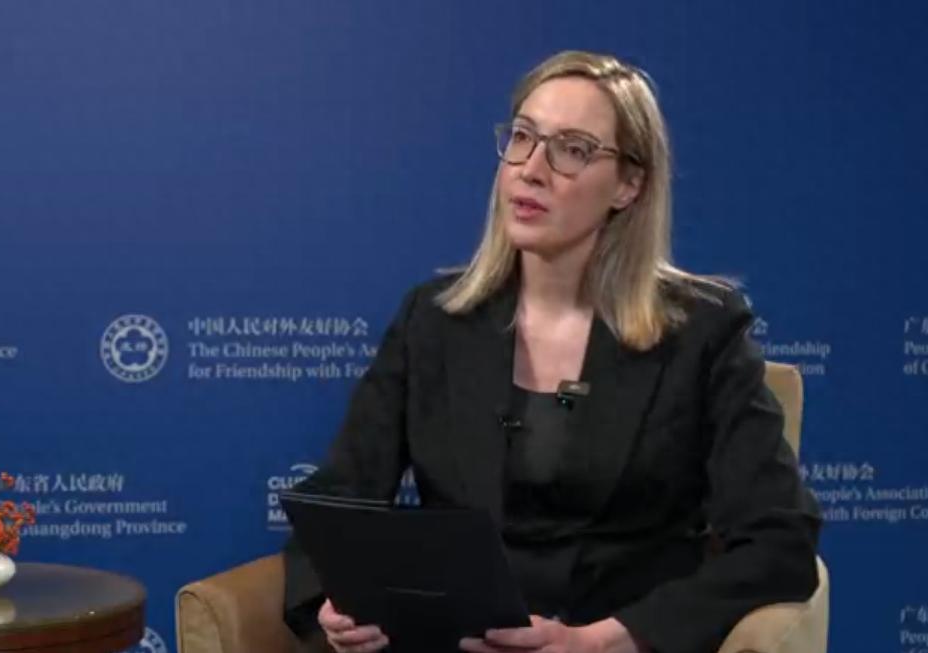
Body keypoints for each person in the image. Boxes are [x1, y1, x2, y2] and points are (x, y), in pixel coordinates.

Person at [282, 50, 821, 653]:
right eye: (522, 138)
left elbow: (779, 541)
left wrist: (603, 641)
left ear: (629, 184)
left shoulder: (703, 332)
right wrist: (334, 607)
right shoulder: (431, 320)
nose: (532, 170)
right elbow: (337, 500)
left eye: (572, 149)